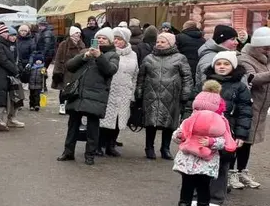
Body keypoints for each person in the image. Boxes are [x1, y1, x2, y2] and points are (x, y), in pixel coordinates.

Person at [171, 81, 237, 206]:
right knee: (186, 186)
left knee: (203, 187)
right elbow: (177, 135)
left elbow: (224, 141)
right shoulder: (189, 120)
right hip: (188, 161)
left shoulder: (219, 122)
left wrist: (211, 142)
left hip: (206, 163)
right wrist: (179, 136)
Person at [57, 27, 119, 165]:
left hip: (96, 95)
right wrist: (84, 56)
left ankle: (90, 155)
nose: (100, 40)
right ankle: (68, 152)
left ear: (110, 41)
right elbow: (70, 66)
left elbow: (110, 70)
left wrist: (99, 56)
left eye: (104, 38)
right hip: (79, 93)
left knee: (92, 127)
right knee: (73, 125)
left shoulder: (113, 55)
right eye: (98, 38)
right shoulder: (85, 51)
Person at [202, 51, 252, 206]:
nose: (222, 67)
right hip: (204, 129)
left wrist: (241, 135)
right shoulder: (205, 83)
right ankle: (198, 196)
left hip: (227, 131)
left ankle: (216, 199)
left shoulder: (240, 87)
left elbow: (245, 112)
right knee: (200, 162)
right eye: (218, 64)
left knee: (222, 165)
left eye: (226, 64)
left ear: (233, 66)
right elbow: (192, 104)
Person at [136, 32, 192, 160]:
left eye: (163, 42)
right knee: (150, 123)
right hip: (151, 95)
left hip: (171, 96)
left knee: (169, 123)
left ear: (171, 43)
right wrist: (139, 92)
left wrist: (185, 94)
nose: (159, 44)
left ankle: (165, 148)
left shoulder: (180, 58)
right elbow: (141, 77)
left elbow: (187, 77)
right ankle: (149, 148)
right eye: (158, 42)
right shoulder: (149, 58)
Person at [97, 27, 139, 157]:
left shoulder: (133, 54)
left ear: (126, 41)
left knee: (118, 120)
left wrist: (132, 93)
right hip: (110, 90)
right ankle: (99, 145)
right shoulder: (109, 52)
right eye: (114, 38)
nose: (116, 41)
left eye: (119, 39)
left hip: (124, 92)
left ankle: (111, 145)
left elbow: (135, 75)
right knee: (104, 119)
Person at [237, 27, 270, 188]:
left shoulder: (266, 59)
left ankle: (242, 171)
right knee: (240, 140)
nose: (268, 50)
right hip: (248, 107)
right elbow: (253, 79)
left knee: (248, 142)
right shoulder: (245, 59)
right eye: (266, 47)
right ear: (257, 46)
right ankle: (232, 173)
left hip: (261, 108)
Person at [0, 23, 22, 131]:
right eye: (6, 32)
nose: (8, 34)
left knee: (3, 96)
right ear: (1, 33)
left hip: (2, 74)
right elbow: (4, 60)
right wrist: (15, 70)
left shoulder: (1, 44)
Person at [194, 25, 240, 90]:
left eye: (236, 39)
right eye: (232, 39)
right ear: (221, 40)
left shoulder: (228, 55)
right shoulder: (209, 58)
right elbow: (208, 86)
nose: (237, 42)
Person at [53, 26, 86, 115]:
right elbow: (58, 57)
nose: (78, 35)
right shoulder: (64, 44)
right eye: (76, 33)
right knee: (64, 89)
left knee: (75, 88)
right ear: (71, 34)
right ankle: (62, 105)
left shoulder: (82, 44)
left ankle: (71, 106)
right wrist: (58, 70)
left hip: (77, 71)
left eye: (79, 33)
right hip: (66, 71)